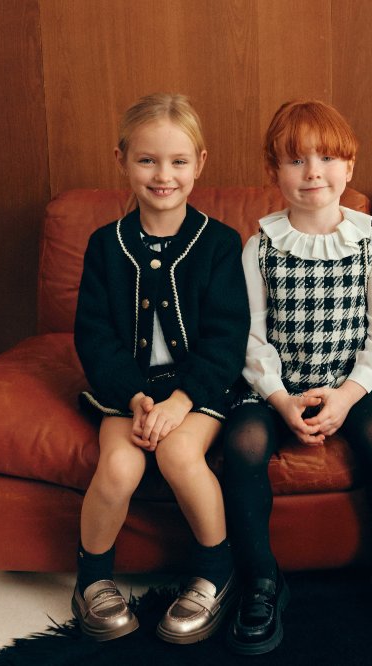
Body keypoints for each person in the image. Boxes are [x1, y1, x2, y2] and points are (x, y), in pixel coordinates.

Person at [223, 100, 372, 655]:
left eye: (326, 159)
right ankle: (263, 581)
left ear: (349, 168)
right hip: (273, 387)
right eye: (295, 161)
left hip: (351, 384)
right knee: (243, 444)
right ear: (274, 172)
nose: (312, 173)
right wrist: (278, 399)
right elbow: (249, 337)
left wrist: (347, 398)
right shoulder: (260, 247)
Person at [72, 93, 249, 644]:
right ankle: (92, 580)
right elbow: (94, 338)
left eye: (177, 161)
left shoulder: (219, 244)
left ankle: (214, 574)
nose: (162, 174)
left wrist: (181, 401)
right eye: (147, 160)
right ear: (121, 160)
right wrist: (134, 399)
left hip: (200, 388)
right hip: (127, 392)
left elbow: (227, 338)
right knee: (120, 469)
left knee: (177, 452)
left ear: (200, 163)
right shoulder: (105, 246)